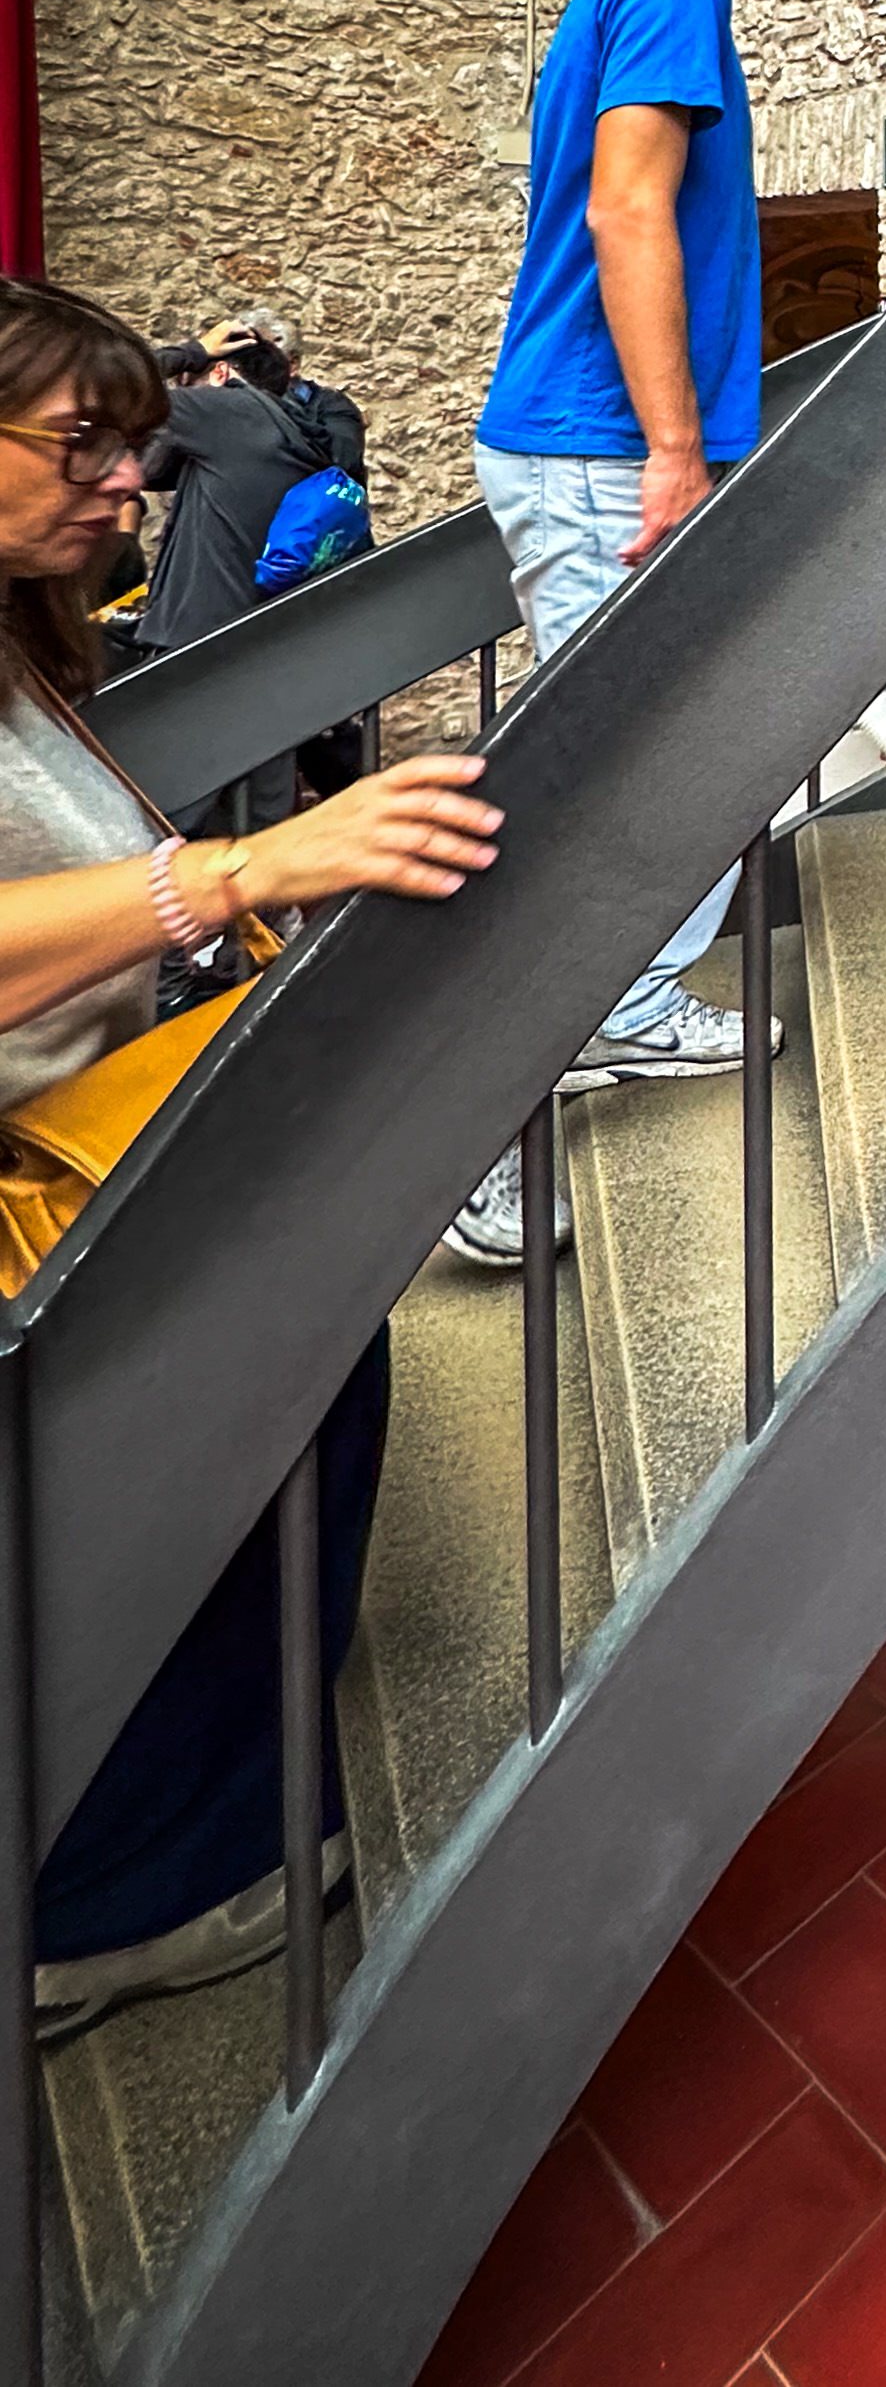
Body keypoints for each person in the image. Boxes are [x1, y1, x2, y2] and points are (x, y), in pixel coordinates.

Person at [0, 273, 498, 2042]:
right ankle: (125, 1905)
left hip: (90, 1142)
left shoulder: (25, 641)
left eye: (135, 444)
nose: (126, 481)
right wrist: (229, 875)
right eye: (82, 441)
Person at [465, 0, 843, 1263]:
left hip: (587, 443)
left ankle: (621, 999)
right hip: (604, 451)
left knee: (660, 765)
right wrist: (675, 448)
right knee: (596, 803)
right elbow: (628, 210)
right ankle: (457, 1150)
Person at [137, 332, 341, 825]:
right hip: (265, 640)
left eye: (190, 383)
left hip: (197, 641)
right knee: (261, 801)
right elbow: (152, 468)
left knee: (171, 808)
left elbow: (112, 387)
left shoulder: (228, 411)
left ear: (222, 374)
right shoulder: (289, 429)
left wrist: (192, 352)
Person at [228, 309, 367, 483]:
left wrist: (273, 406)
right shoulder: (227, 403)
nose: (249, 369)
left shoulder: (332, 406)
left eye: (261, 360)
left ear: (292, 365)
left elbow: (343, 463)